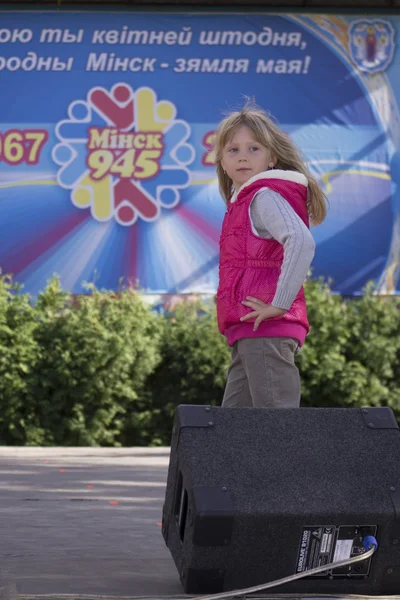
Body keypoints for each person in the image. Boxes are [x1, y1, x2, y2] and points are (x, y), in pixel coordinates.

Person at [214, 102, 327, 409]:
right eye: (233, 150)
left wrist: (280, 304)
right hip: (249, 330)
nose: (242, 157)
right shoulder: (242, 203)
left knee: (277, 430)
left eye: (254, 148)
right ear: (221, 161)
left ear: (272, 157)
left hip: (267, 329)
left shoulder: (264, 196)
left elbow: (301, 242)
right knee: (232, 431)